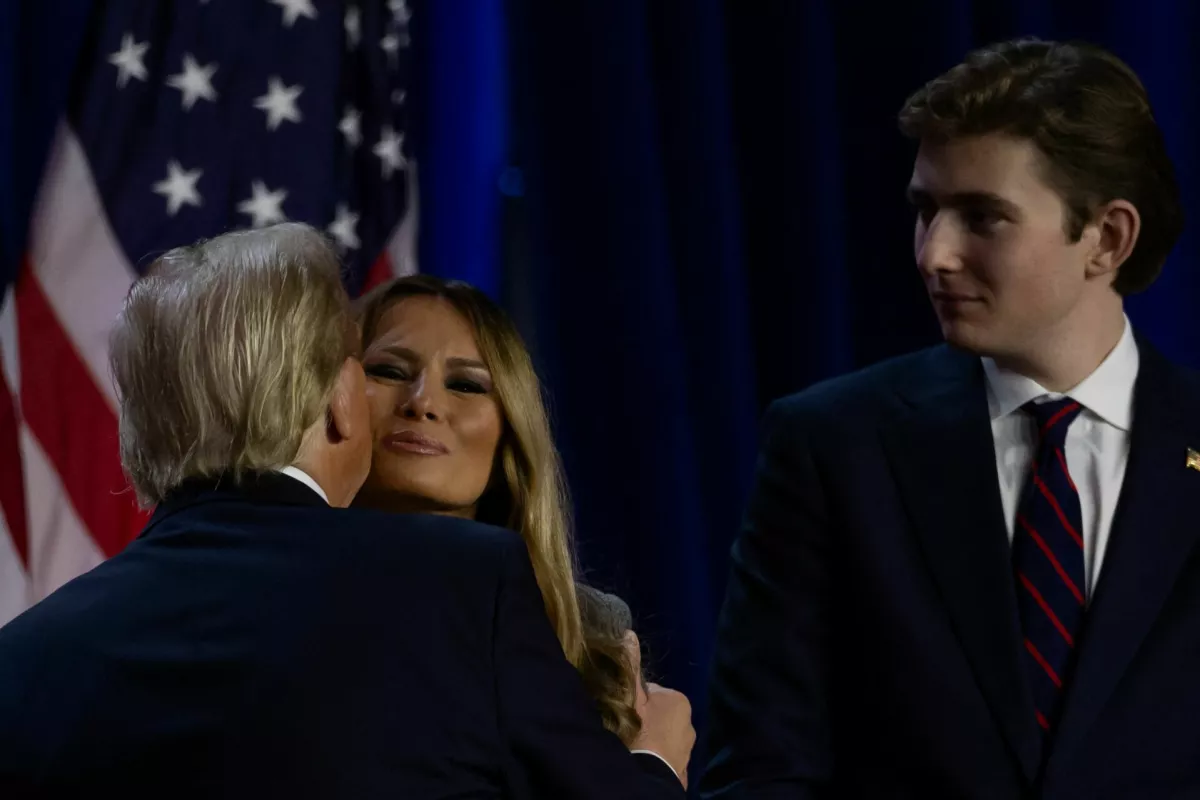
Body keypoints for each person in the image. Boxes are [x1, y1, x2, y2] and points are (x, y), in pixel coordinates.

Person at [0, 222, 693, 798]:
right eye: (380, 370)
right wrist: (656, 761)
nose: (421, 402)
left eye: (468, 385)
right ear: (340, 403)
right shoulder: (464, 589)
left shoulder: (24, 660)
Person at [700, 38, 1200, 798]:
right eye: (925, 211)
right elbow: (765, 768)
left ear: (1107, 238)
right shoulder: (833, 446)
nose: (934, 254)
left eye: (982, 218)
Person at [352, 274, 674, 756]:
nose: (422, 403)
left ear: (509, 434)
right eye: (390, 371)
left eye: (464, 384)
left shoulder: (592, 635)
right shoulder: (275, 599)